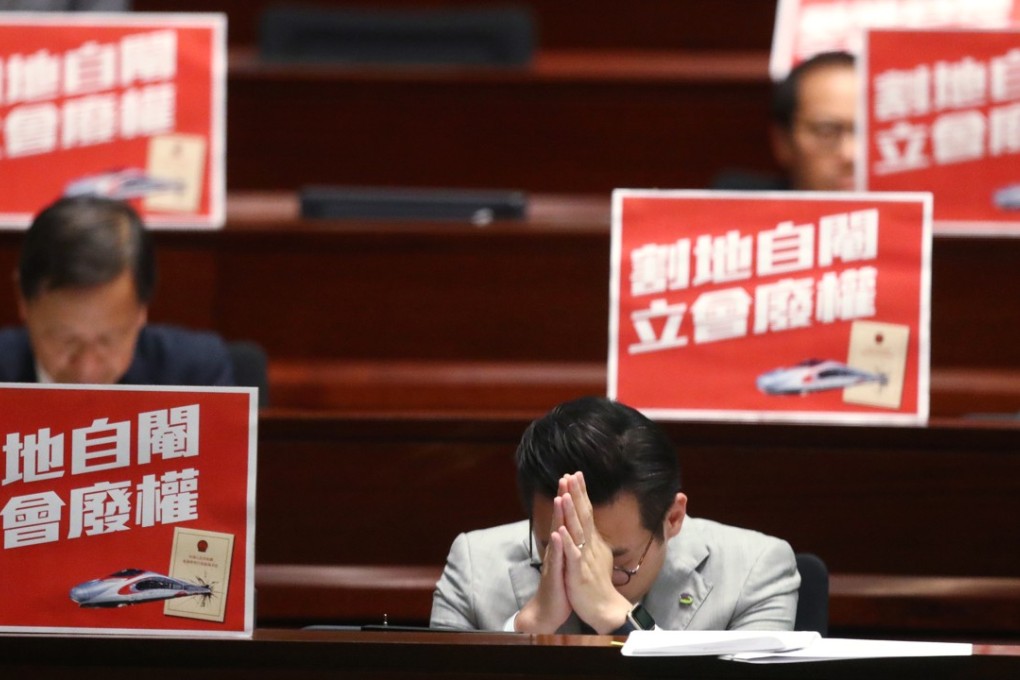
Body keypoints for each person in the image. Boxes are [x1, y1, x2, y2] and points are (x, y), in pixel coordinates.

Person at [430, 396, 800, 634]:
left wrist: (618, 616)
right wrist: (527, 628)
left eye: (617, 560)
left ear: (672, 519)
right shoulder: (474, 565)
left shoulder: (754, 571)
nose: (584, 575)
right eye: (556, 551)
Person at [0, 195, 234, 385]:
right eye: (65, 339)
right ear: (23, 300)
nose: (86, 371)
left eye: (108, 340)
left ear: (142, 310)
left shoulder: (193, 376)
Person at [714, 51, 857, 192]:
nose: (851, 154)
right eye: (827, 132)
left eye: (870, 133)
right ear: (783, 141)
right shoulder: (731, 205)